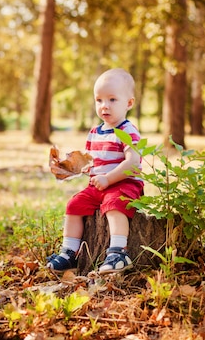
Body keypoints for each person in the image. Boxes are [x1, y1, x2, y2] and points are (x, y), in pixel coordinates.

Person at [47, 68, 143, 274]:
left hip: (124, 184)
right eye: (99, 100)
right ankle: (69, 253)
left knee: (113, 204)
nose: (104, 106)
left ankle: (119, 252)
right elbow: (92, 163)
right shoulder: (94, 132)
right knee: (74, 204)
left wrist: (109, 179)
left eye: (112, 100)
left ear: (129, 103)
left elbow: (133, 162)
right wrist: (71, 168)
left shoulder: (127, 131)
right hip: (99, 186)